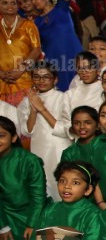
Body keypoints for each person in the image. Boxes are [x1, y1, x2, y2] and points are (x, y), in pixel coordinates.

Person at [17, 63, 71, 197]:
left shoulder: (63, 98)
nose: (41, 81)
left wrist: (42, 109)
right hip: (38, 146)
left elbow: (66, 130)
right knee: (41, 183)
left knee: (59, 181)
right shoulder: (26, 101)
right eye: (37, 77)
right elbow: (27, 131)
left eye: (46, 77)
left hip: (60, 147)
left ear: (55, 79)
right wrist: (34, 111)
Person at [30, 0, 82, 89]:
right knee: (59, 86)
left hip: (71, 51)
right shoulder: (36, 21)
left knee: (78, 82)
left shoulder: (61, 9)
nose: (33, 2)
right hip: (52, 56)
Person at [41, 161, 104, 240]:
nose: (67, 186)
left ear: (88, 190)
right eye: (62, 181)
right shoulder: (50, 209)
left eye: (75, 183)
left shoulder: (93, 215)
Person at [0, 0, 39, 105]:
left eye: (13, 3)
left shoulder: (28, 25)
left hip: (23, 78)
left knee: (24, 117)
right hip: (1, 80)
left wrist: (20, 69)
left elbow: (36, 50)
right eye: (5, 3)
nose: (10, 6)